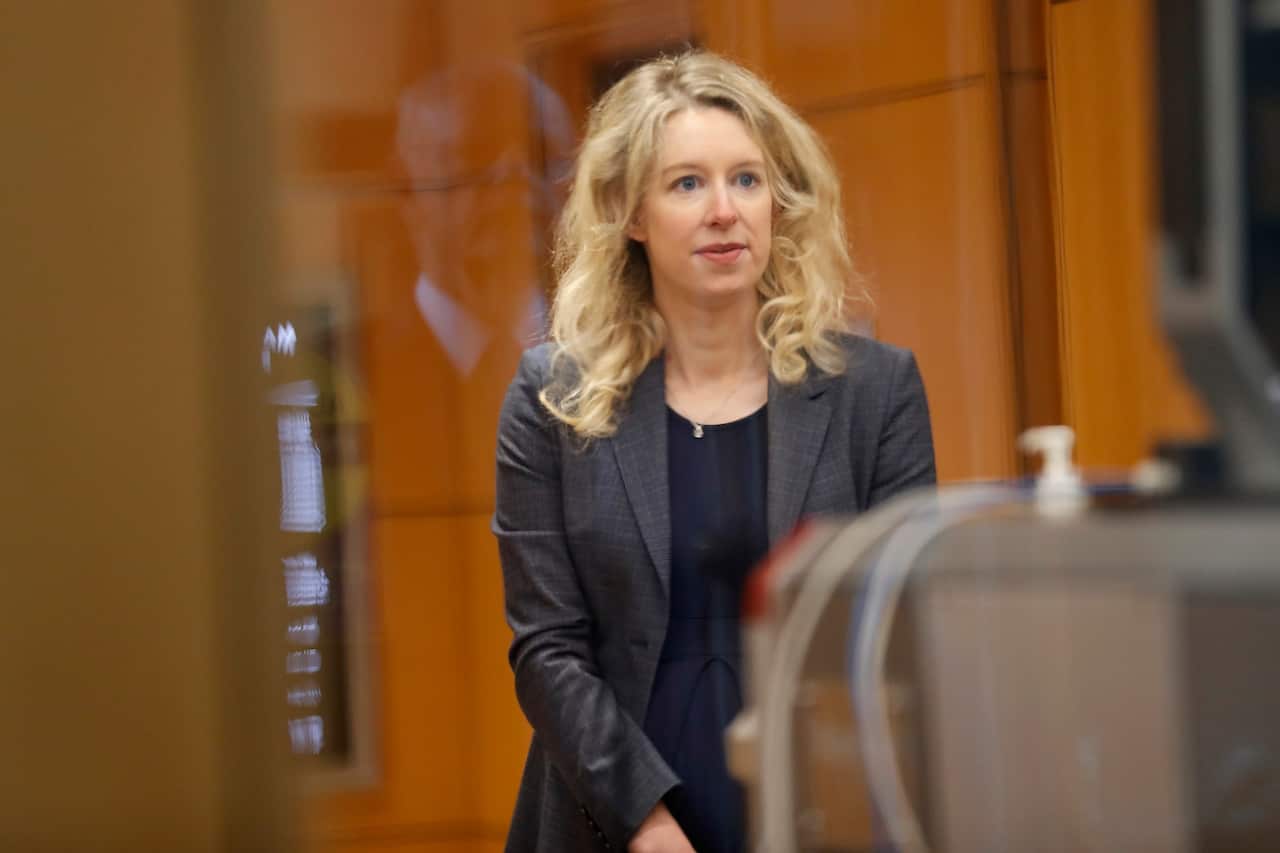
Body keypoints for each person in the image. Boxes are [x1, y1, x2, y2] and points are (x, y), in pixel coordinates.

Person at [493, 50, 936, 853]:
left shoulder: (877, 392)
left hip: (820, 817)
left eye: (747, 179)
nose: (724, 211)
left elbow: (898, 632)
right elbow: (546, 647)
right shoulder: (548, 397)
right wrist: (648, 824)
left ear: (778, 201)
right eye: (687, 183)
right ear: (631, 214)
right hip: (612, 821)